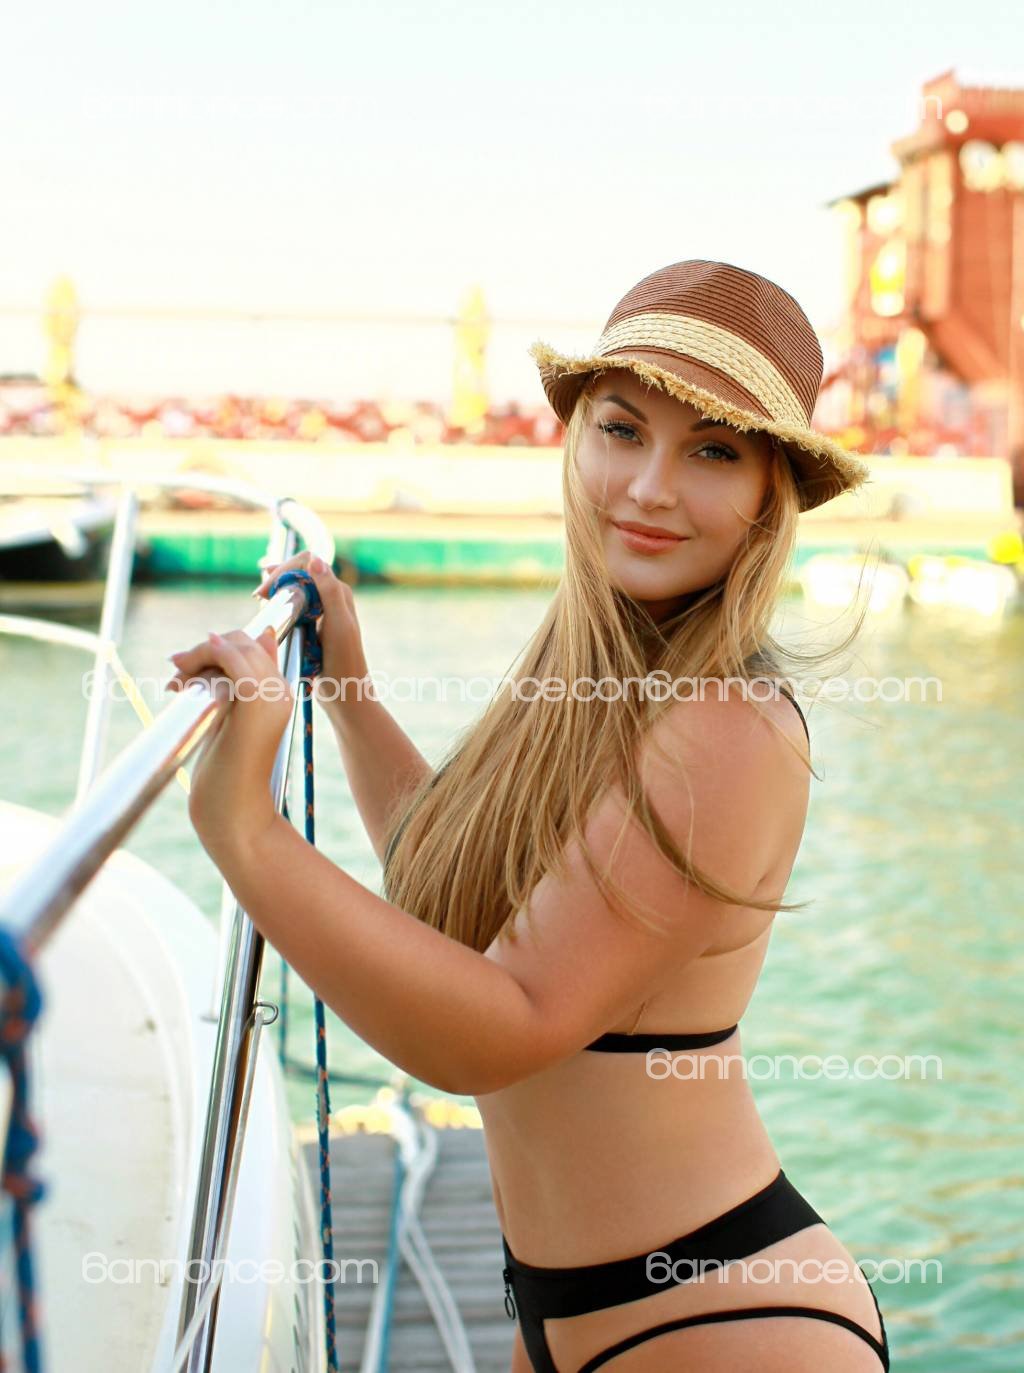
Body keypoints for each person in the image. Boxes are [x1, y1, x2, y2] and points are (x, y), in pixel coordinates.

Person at [167, 260, 890, 1371]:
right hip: (570, 1308)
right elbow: (458, 900)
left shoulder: (730, 723)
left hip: (721, 1321)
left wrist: (244, 832)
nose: (648, 487)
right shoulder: (596, 668)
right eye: (621, 429)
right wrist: (349, 690)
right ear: (575, 438)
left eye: (712, 451)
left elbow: (499, 1027)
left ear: (768, 495)